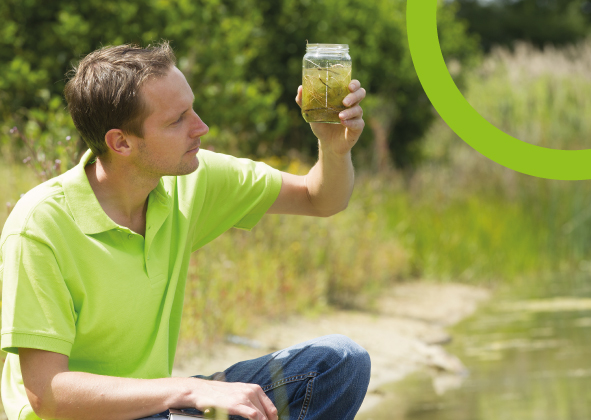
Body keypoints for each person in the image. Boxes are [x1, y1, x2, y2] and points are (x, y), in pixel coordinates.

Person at [0, 41, 370, 420]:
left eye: (192, 109)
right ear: (121, 142)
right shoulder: (39, 225)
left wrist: (334, 149)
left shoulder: (190, 180)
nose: (201, 128)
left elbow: (319, 198)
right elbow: (47, 394)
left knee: (340, 362)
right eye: (177, 120)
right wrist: (192, 389)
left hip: (158, 407)